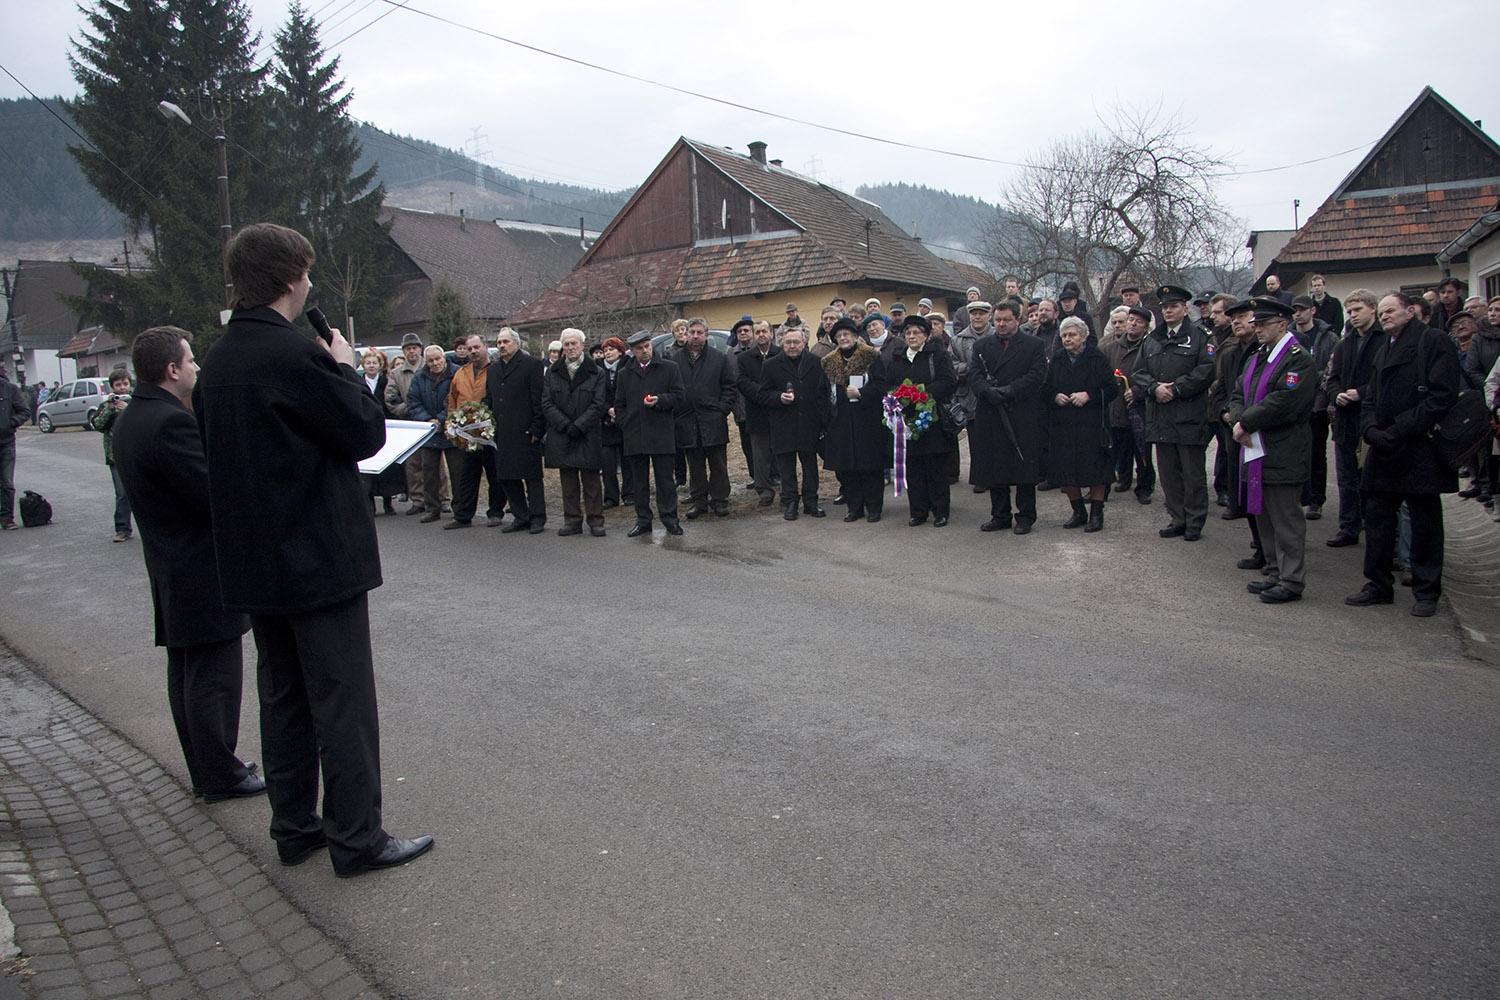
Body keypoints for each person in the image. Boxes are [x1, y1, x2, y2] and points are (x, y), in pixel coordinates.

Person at [196, 221, 431, 877]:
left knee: (284, 698)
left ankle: (295, 827)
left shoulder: (216, 361)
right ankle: (357, 839)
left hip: (255, 562)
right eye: (306, 271)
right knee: (342, 702)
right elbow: (361, 434)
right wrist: (350, 373)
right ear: (291, 279)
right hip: (318, 559)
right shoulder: (295, 357)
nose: (308, 283)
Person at [110, 326, 262, 803]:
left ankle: (210, 765)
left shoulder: (134, 417)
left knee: (189, 672)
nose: (196, 367)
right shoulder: (169, 422)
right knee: (212, 676)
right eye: (191, 360)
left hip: (172, 564)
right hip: (199, 566)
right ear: (172, 370)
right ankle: (220, 773)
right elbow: (210, 494)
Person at [1345, 292, 1460, 617]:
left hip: (1419, 446)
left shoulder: (1433, 341)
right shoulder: (1385, 348)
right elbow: (1369, 396)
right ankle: (1378, 585)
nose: (1384, 317)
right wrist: (1370, 430)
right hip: (1383, 448)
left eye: (1390, 311)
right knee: (1378, 520)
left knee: (1424, 524)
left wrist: (1397, 429)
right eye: (1381, 313)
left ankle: (1426, 592)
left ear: (1411, 311)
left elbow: (1442, 397)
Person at [1227, 298, 1319, 604]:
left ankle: (1292, 579)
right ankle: (1274, 571)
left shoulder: (1297, 359)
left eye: (1263, 324)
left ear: (1282, 323)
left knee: (1286, 518)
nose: (1258, 329)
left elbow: (1285, 401)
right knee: (1264, 514)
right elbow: (1239, 391)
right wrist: (1240, 417)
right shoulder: (1259, 356)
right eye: (1256, 324)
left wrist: (1246, 421)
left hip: (1283, 448)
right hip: (1257, 448)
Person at [1131, 285, 1215, 541]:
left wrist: (1177, 389)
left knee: (1192, 475)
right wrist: (1154, 388)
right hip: (1160, 417)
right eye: (1165, 307)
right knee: (1168, 475)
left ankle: (1194, 521)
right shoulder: (1153, 339)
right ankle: (1177, 518)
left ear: (1185, 308)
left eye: (1174, 306)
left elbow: (1206, 371)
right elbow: (1138, 372)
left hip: (1188, 415)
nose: (1168, 311)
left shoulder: (1201, 336)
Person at [968, 300, 1047, 533]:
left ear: (1018, 320)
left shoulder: (1034, 345)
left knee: (1023, 467)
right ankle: (1000, 515)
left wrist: (1009, 391)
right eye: (998, 320)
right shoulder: (982, 345)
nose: (1001, 324)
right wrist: (987, 391)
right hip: (991, 412)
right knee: (995, 467)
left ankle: (1025, 516)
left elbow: (1037, 375)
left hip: (1021, 413)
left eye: (1006, 320)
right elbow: (974, 375)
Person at [1323, 289, 1388, 548]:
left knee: (1372, 478)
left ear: (1373, 309)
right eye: (1349, 311)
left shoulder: (1383, 341)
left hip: (1372, 418)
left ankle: (1376, 529)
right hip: (1345, 419)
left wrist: (1361, 393)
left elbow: (1385, 379)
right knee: (1346, 476)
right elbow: (1332, 377)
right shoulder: (1344, 343)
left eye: (1357, 310)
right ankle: (1348, 526)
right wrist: (1336, 393)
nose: (1353, 315)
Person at [1042, 317, 1116, 532]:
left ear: (1083, 337)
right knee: (1066, 470)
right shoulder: (1056, 359)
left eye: (1072, 334)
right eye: (1064, 335)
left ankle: (1096, 513)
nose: (1067, 339)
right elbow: (1045, 389)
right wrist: (1055, 396)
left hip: (1091, 424)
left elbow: (1112, 389)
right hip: (1063, 424)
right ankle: (1078, 512)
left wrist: (1089, 395)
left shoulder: (1096, 358)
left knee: (1096, 470)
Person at [885, 315, 955, 526]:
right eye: (908, 333)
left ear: (925, 335)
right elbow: (889, 385)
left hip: (931, 418)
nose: (912, 336)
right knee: (913, 467)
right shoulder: (898, 357)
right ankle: (918, 511)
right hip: (907, 420)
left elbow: (949, 381)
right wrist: (898, 398)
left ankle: (940, 511)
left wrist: (921, 393)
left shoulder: (937, 354)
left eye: (916, 332)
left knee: (935, 468)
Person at [1212, 300, 1267, 570]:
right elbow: (1224, 388)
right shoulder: (1231, 353)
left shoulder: (1265, 351)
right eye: (1233, 318)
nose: (1237, 322)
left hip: (1260, 429)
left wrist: (1246, 419)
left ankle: (1270, 550)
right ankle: (1259, 545)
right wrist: (1227, 413)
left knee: (1264, 490)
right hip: (1235, 427)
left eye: (1243, 316)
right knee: (1243, 486)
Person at [756, 326, 830, 520]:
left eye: (796, 342)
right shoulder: (770, 365)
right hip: (783, 424)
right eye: (788, 342)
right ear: (782, 343)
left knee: (810, 466)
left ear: (804, 343)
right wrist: (778, 397)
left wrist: (823, 421)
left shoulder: (816, 363)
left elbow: (822, 393)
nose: (792, 346)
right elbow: (762, 394)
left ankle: (811, 502)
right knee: (786, 468)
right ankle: (790, 503)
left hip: (809, 423)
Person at [615, 330, 685, 536]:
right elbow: (619, 404)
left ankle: (670, 518)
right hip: (635, 434)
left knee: (665, 481)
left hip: (661, 432)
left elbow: (679, 397)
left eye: (647, 346)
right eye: (639, 348)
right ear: (632, 351)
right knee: (639, 483)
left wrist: (660, 401)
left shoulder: (669, 368)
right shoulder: (624, 374)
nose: (645, 351)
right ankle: (643, 520)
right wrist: (624, 423)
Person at [541, 328, 607, 537]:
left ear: (582, 346)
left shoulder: (596, 371)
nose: (570, 348)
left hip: (587, 433)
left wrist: (579, 425)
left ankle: (596, 520)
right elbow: (547, 402)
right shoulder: (552, 372)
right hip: (562, 433)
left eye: (574, 344)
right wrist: (564, 425)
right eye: (567, 344)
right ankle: (572, 520)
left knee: (591, 481)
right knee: (568, 481)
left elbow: (598, 404)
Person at [821, 317, 887, 522]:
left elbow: (882, 385)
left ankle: (874, 507)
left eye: (846, 334)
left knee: (870, 467)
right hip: (840, 423)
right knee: (847, 468)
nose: (843, 338)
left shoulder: (871, 357)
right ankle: (854, 507)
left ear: (856, 336)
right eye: (839, 336)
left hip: (868, 420)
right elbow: (823, 393)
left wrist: (862, 394)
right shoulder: (828, 363)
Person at [674, 317, 737, 519]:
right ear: (686, 334)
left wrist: (722, 409)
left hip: (713, 419)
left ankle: (719, 500)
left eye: (699, 332)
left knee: (718, 463)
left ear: (706, 334)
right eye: (691, 332)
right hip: (687, 420)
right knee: (695, 465)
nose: (694, 336)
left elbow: (729, 387)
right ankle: (699, 501)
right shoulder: (675, 360)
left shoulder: (719, 358)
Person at [486, 328, 547, 534]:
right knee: (507, 477)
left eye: (506, 342)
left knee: (531, 477)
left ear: (517, 343)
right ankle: (521, 516)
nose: (501, 345)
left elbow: (538, 400)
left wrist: (537, 429)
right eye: (499, 342)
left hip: (525, 431)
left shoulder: (532, 365)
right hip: (502, 433)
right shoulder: (493, 370)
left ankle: (537, 517)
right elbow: (490, 399)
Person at [444, 334, 503, 529]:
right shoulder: (461, 372)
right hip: (466, 435)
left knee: (494, 474)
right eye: (469, 349)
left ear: (485, 347)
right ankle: (463, 515)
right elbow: (452, 399)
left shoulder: (496, 370)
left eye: (476, 347)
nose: (473, 352)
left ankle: (495, 512)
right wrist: (452, 421)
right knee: (467, 475)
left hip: (489, 432)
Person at [1289, 295, 1339, 521]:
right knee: (1296, 453)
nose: (1298, 314)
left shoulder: (1327, 337)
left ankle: (1317, 499)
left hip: (1317, 403)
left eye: (1302, 309)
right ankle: (1300, 495)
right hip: (1293, 404)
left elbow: (1331, 368)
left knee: (1317, 453)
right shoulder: (1288, 335)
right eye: (1295, 310)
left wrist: (1309, 377)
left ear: (1313, 311)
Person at [1102, 305, 1156, 503]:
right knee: (1120, 445)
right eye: (1131, 320)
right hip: (1117, 404)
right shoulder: (1112, 347)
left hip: (1141, 406)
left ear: (1146, 326)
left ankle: (1144, 486)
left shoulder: (1151, 346)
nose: (1133, 324)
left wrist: (1138, 391)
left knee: (1141, 448)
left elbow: (1155, 375)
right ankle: (1123, 478)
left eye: (1138, 322)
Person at [385, 333, 439, 516]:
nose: (412, 351)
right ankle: (418, 500)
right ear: (404, 351)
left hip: (431, 422)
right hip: (410, 424)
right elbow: (391, 399)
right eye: (408, 349)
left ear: (420, 349)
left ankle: (443, 498)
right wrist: (408, 410)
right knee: (413, 464)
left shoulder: (431, 366)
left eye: (415, 348)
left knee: (437, 464)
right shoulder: (396, 373)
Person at [405, 345, 459, 523]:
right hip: (428, 432)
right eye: (431, 360)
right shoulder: (419, 377)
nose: (435, 363)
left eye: (438, 359)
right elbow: (413, 401)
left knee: (457, 472)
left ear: (444, 357)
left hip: (451, 429)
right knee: (428, 472)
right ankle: (432, 508)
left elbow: (456, 399)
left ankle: (459, 510)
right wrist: (428, 420)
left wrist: (441, 420)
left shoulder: (456, 373)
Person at [736, 320, 780, 506]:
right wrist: (763, 395)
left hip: (779, 410)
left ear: (771, 333)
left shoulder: (781, 354)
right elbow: (742, 382)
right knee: (760, 453)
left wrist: (773, 397)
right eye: (758, 331)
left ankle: (786, 487)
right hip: (756, 412)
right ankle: (764, 489)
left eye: (765, 331)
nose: (761, 334)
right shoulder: (744, 359)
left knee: (781, 451)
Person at [90, 367, 135, 542]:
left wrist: (126, 409)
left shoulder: (135, 402)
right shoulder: (106, 405)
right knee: (122, 493)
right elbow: (98, 425)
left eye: (125, 384)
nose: (122, 388)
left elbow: (142, 422)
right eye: (118, 385)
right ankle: (122, 528)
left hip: (134, 453)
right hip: (115, 455)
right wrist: (110, 407)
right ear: (112, 387)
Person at [359, 349, 402, 515]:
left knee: (387, 467)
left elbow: (392, 401)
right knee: (368, 467)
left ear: (380, 365)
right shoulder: (358, 380)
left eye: (374, 363)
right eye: (368, 363)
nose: (371, 366)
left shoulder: (386, 381)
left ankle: (388, 502)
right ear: (364, 365)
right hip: (365, 428)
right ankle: (370, 503)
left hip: (385, 426)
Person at [597, 336, 632, 507]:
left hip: (625, 420)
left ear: (620, 351)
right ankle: (611, 497)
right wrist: (607, 409)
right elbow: (595, 395)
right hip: (606, 422)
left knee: (628, 460)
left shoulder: (629, 365)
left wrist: (620, 411)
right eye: (605, 350)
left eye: (611, 349)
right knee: (607, 462)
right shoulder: (597, 369)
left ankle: (629, 494)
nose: (608, 352)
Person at [0, 364, 31, 530]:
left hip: (6, 442)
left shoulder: (9, 389)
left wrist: (10, 423)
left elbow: (25, 411)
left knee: (6, 481)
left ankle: (6, 518)